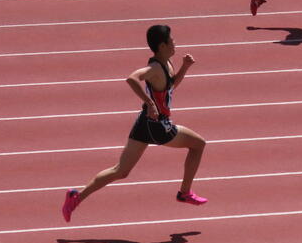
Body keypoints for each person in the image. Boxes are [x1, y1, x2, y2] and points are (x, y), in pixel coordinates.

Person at [61, 25, 208, 222]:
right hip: (158, 126)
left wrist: (185, 67)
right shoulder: (155, 68)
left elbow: (170, 86)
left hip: (144, 123)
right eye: (171, 40)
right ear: (162, 45)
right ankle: (184, 192)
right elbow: (132, 79)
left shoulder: (167, 63)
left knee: (120, 171)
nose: (175, 43)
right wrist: (150, 103)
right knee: (198, 144)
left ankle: (76, 197)